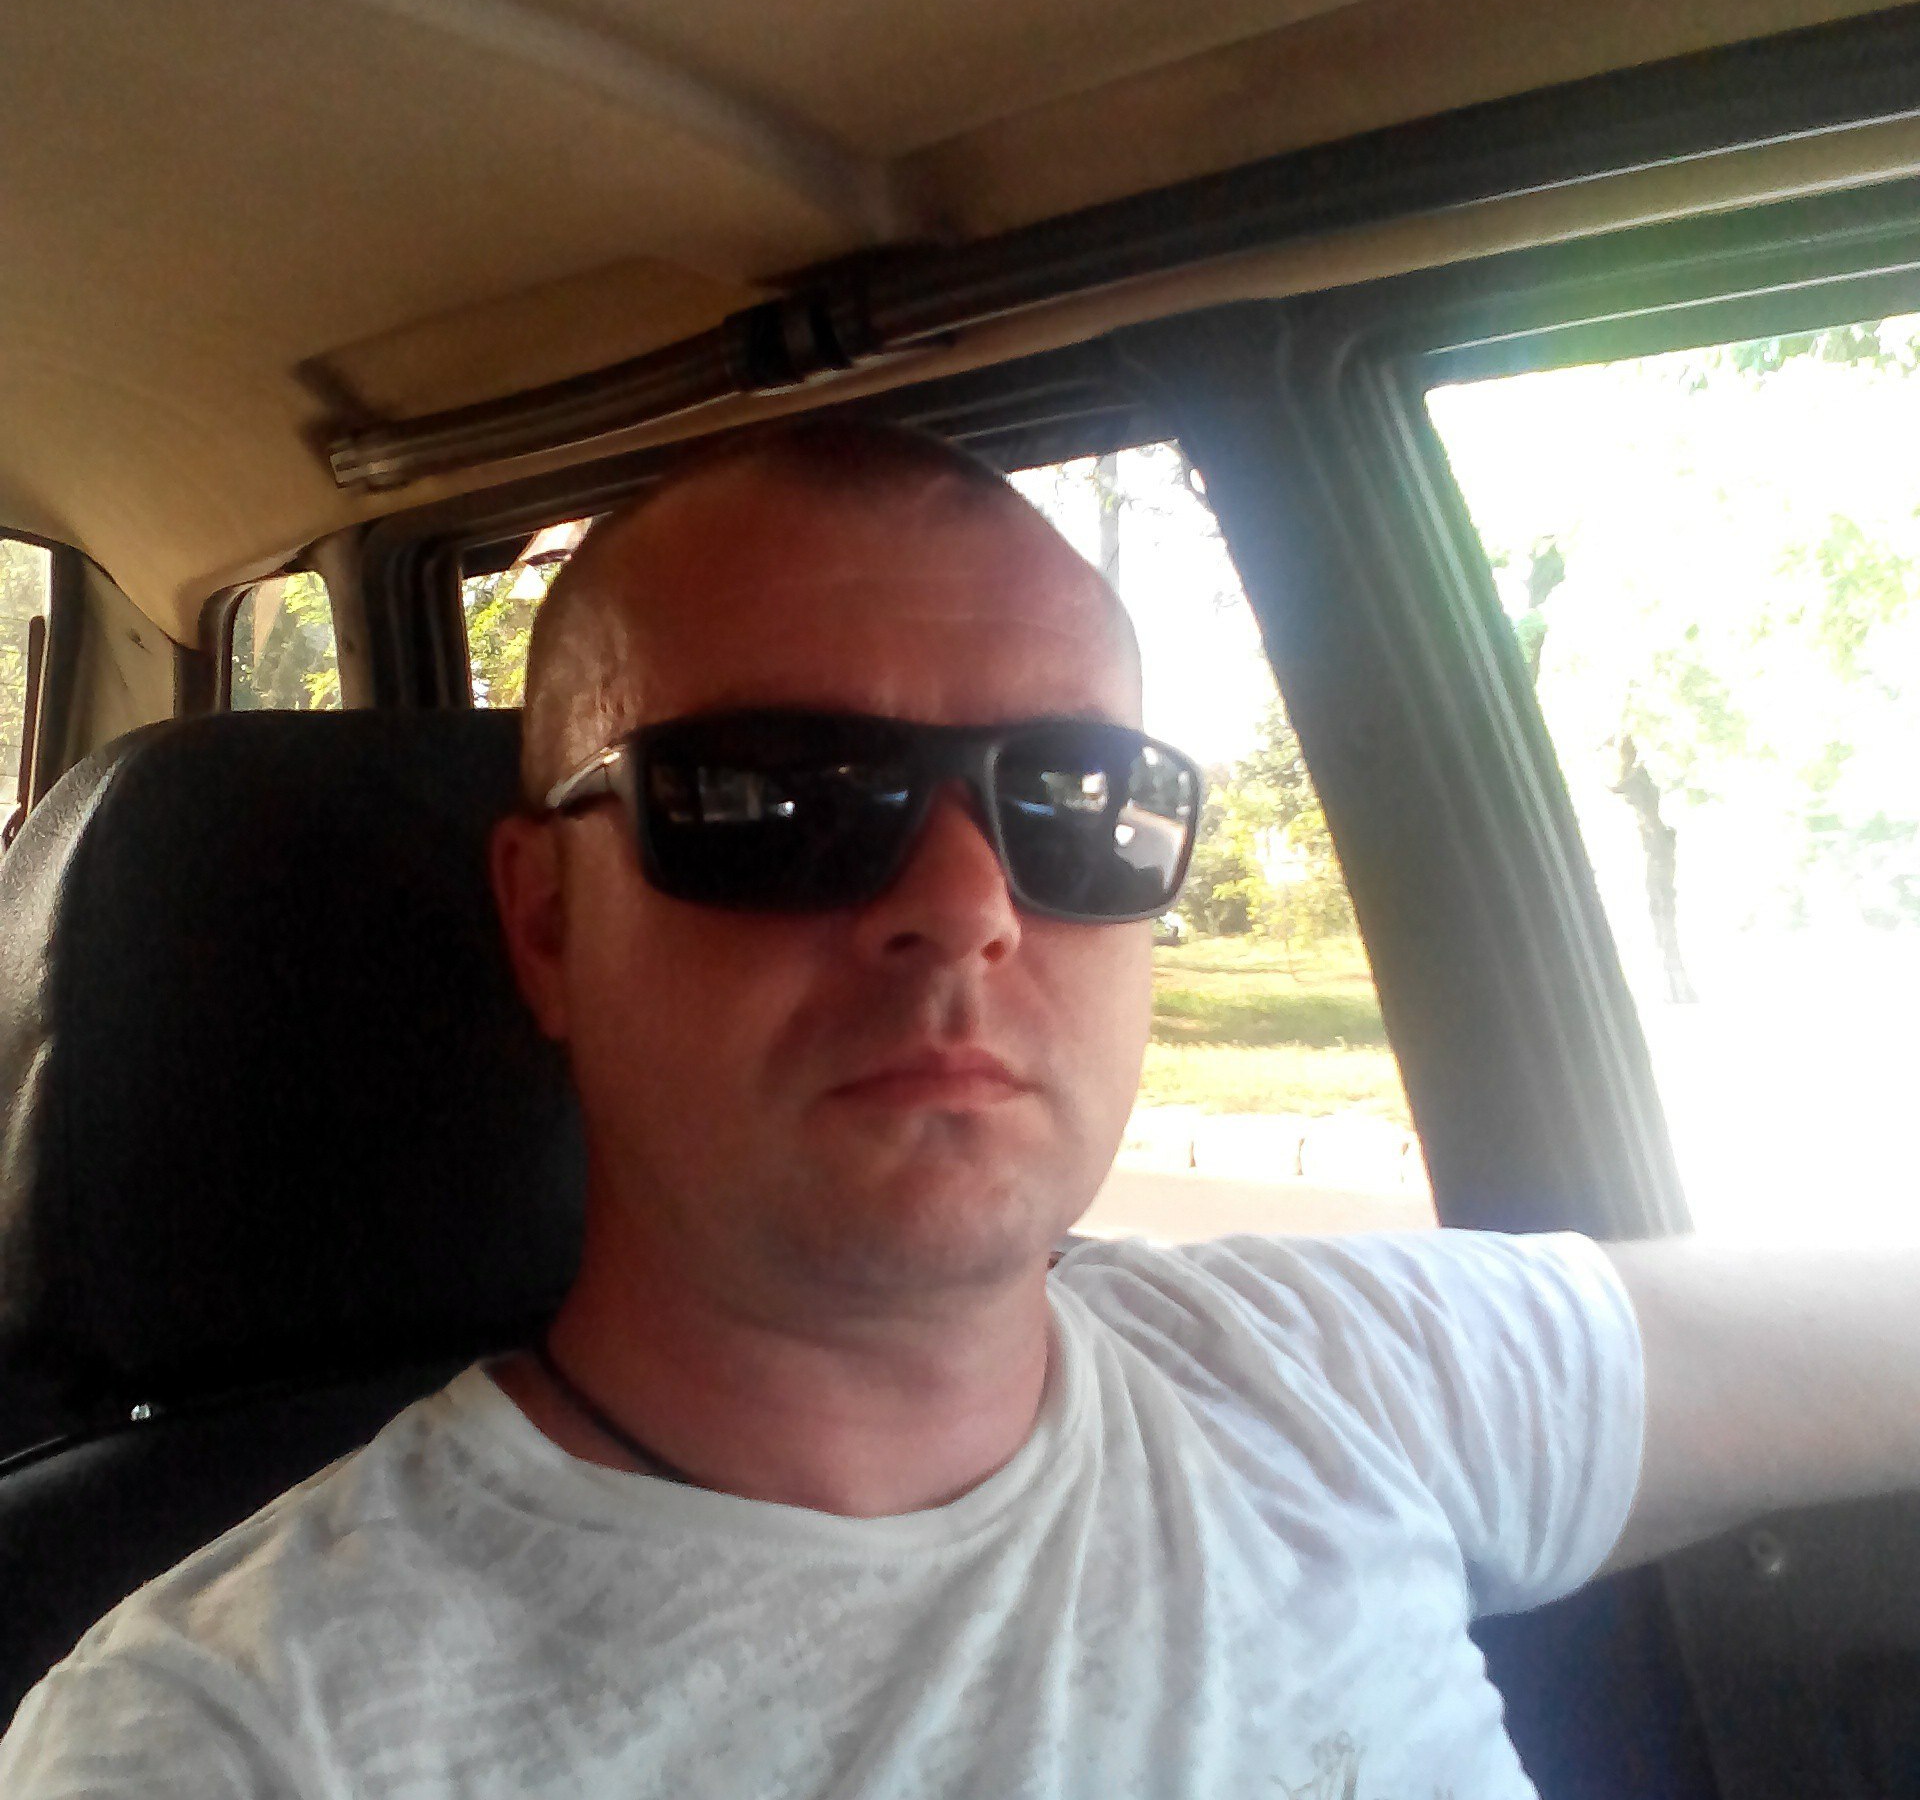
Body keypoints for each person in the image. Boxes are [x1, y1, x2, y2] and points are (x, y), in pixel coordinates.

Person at [2, 418, 1916, 1798]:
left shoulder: (1337, 1371)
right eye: (774, 796)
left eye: (1080, 804)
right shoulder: (236, 1736)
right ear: (547, 920)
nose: (967, 903)